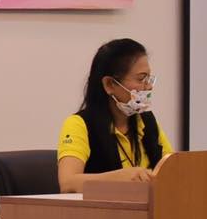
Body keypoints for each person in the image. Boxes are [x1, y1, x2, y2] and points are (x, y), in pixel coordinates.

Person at [57, 38, 174, 193]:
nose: (148, 87)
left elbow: (174, 170)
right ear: (109, 84)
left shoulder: (147, 122)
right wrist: (120, 177)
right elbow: (68, 184)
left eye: (149, 79)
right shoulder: (79, 124)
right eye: (141, 79)